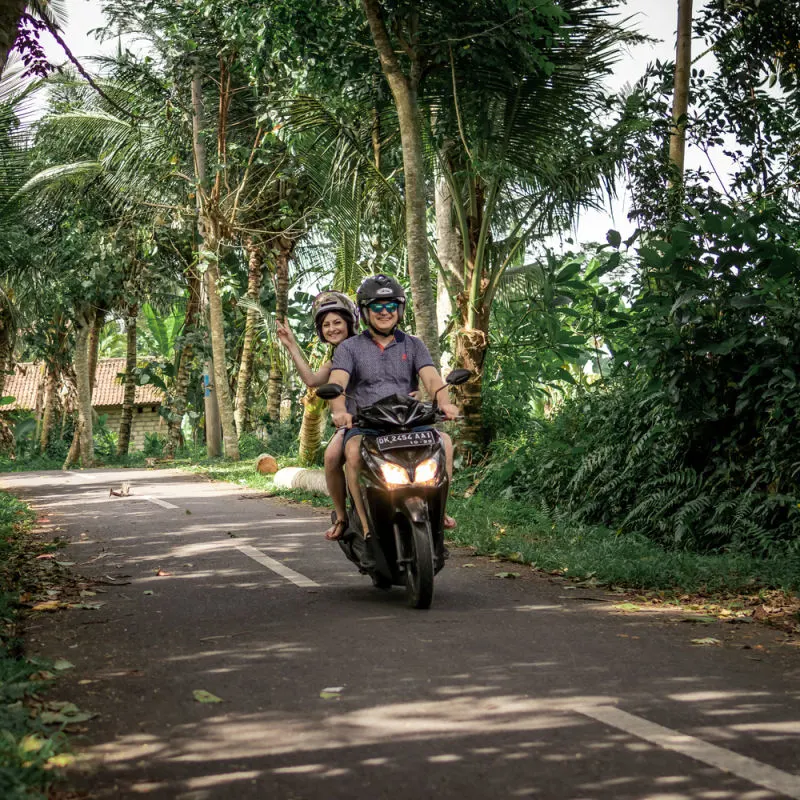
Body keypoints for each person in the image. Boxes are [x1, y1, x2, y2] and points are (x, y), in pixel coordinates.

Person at [325, 274, 459, 559]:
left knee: (445, 442)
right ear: (364, 312)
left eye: (390, 306)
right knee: (351, 451)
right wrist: (339, 411)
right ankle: (362, 523)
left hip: (410, 423)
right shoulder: (350, 348)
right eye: (377, 306)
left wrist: (444, 403)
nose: (384, 312)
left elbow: (433, 380)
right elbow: (337, 383)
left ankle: (441, 514)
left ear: (400, 310)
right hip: (368, 425)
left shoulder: (413, 345)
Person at [276, 291, 358, 541]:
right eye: (326, 325)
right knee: (331, 456)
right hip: (354, 422)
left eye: (337, 322)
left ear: (350, 322)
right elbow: (312, 380)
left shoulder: (367, 345)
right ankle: (342, 517)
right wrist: (291, 344)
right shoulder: (334, 358)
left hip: (387, 418)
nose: (332, 328)